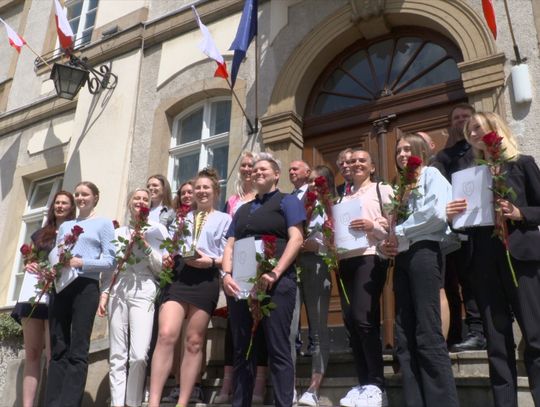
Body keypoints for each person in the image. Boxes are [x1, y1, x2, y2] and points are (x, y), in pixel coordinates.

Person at [446, 112, 540, 407]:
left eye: (476, 127)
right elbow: (461, 222)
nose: (471, 133)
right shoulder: (466, 173)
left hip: (520, 257)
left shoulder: (521, 164)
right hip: (482, 260)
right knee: (497, 345)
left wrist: (520, 213)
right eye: (467, 130)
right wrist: (452, 216)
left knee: (536, 337)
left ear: (493, 128)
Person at [379, 134, 458, 407]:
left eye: (407, 149)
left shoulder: (431, 175)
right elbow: (390, 231)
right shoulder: (400, 187)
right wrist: (385, 245)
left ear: (422, 151)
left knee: (427, 330)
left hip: (425, 252)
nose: (402, 154)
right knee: (404, 333)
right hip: (401, 258)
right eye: (398, 150)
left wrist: (397, 232)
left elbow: (435, 215)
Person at [221, 152, 305, 407]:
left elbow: (297, 239)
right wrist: (226, 275)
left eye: (263, 170)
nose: (257, 173)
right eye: (254, 170)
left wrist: (276, 272)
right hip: (241, 284)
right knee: (243, 348)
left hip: (276, 282)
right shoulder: (242, 210)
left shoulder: (287, 202)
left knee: (278, 348)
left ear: (276, 174)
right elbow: (229, 246)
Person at [148, 168, 231, 407]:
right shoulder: (183, 218)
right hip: (180, 276)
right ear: (192, 193)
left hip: (206, 279)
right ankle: (154, 401)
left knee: (194, 341)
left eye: (207, 188)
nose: (202, 192)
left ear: (216, 191)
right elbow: (171, 246)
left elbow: (228, 255)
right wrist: (167, 255)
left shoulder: (225, 219)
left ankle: (183, 402)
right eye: (198, 188)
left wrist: (212, 262)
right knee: (166, 335)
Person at [45, 181, 116, 407]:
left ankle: (69, 402)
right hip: (62, 287)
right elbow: (57, 255)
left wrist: (81, 262)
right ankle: (52, 402)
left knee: (78, 347)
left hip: (86, 287)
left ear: (95, 197)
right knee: (58, 346)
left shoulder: (104, 224)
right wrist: (53, 268)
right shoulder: (66, 226)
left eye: (85, 194)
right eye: (77, 194)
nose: (80, 197)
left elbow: (110, 261)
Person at [97, 188, 169, 407]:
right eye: (136, 198)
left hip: (145, 286)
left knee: (139, 354)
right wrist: (105, 292)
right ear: (130, 203)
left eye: (145, 199)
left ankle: (133, 402)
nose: (140, 201)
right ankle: (117, 404)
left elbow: (162, 269)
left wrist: (145, 245)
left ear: (151, 204)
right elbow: (110, 266)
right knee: (117, 354)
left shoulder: (158, 230)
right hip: (119, 288)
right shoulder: (117, 233)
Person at [336, 150, 392, 407]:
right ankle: (363, 384)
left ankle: (376, 384)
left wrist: (372, 227)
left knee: (364, 319)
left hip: (370, 257)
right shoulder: (342, 197)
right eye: (352, 161)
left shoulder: (382, 190)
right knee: (351, 322)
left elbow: (393, 228)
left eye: (362, 161)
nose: (356, 164)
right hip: (344, 261)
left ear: (371, 167)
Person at [11, 191, 76, 407]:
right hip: (32, 293)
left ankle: (51, 402)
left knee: (53, 354)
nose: (59, 206)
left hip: (56, 294)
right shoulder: (40, 233)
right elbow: (29, 257)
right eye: (56, 202)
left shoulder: (75, 233)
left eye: (64, 203)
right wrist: (28, 263)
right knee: (31, 352)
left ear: (71, 206)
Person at [433, 103, 486, 352]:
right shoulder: (444, 157)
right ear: (450, 123)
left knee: (483, 279)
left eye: (466, 116)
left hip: (487, 225)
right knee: (460, 281)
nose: (461, 120)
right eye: (456, 117)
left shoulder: (483, 150)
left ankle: (487, 329)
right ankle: (466, 332)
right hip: (459, 228)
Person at [216, 151, 269, 405]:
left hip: (259, 261)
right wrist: (224, 271)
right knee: (235, 327)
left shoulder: (263, 198)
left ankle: (258, 382)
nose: (248, 169)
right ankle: (231, 384)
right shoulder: (233, 201)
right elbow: (228, 238)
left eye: (253, 165)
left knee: (258, 319)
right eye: (245, 166)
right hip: (236, 266)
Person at [296, 165, 335, 407]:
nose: (312, 184)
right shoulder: (299, 202)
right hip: (294, 264)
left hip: (319, 264)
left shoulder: (333, 205)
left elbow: (338, 241)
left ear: (326, 183)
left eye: (317, 181)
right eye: (309, 180)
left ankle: (313, 388)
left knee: (318, 329)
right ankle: (286, 385)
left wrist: (319, 247)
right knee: (289, 330)